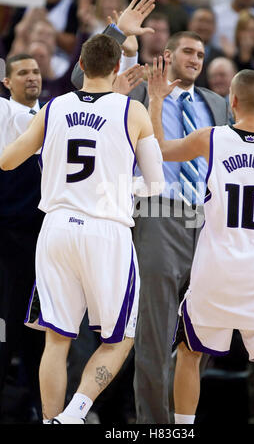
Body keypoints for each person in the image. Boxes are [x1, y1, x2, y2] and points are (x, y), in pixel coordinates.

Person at [0, 30, 165, 424]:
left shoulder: (54, 108)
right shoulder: (132, 111)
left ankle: (50, 420)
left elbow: (7, 161)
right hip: (105, 231)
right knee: (121, 338)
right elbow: (157, 185)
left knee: (56, 338)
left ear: (81, 66)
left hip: (55, 228)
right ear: (115, 68)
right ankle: (73, 415)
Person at [147, 58, 254, 424]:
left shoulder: (210, 138)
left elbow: (159, 150)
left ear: (231, 101)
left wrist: (155, 100)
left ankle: (182, 429)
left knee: (189, 353)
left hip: (217, 273)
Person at [133, 30, 228, 424]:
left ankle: (182, 421)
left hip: (207, 221)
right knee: (155, 332)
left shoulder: (219, 104)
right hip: (159, 212)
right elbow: (81, 82)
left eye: (201, 54)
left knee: (202, 331)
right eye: (188, 51)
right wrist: (118, 33)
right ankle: (154, 425)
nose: (195, 59)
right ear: (169, 54)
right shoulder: (139, 92)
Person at [0, 54, 45, 422]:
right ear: (6, 82)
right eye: (22, 73)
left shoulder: (57, 116)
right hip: (8, 240)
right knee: (5, 328)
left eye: (35, 71)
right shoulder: (4, 113)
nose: (31, 77)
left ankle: (39, 409)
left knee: (40, 334)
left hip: (48, 242)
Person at [187, 7, 224, 88]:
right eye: (200, 21)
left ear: (214, 28)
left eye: (208, 22)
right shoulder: (177, 51)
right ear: (190, 24)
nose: (203, 26)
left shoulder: (221, 56)